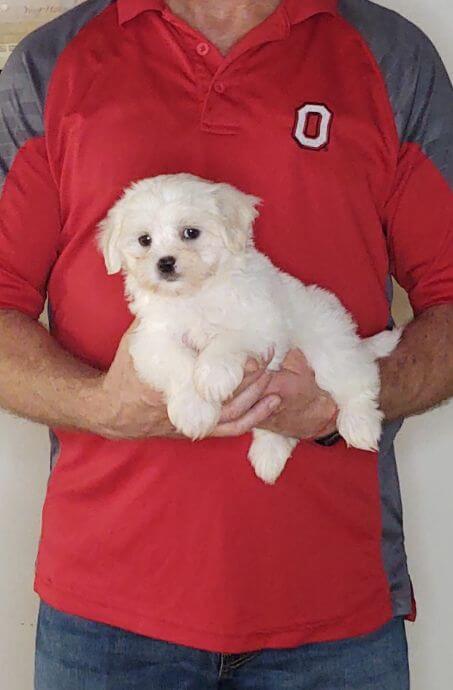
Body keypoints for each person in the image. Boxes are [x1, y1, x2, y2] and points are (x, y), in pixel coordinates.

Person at [0, 0, 452, 688]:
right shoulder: (50, 61)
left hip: (330, 608)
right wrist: (98, 404)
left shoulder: (390, 56)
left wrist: (344, 396)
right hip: (106, 616)